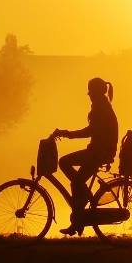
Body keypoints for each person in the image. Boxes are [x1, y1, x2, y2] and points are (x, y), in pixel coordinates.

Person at [53, 77, 119, 236]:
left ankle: (78, 217)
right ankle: (82, 206)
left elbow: (90, 131)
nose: (89, 95)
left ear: (96, 92)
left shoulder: (101, 108)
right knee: (70, 172)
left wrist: (67, 133)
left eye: (90, 92)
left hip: (99, 153)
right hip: (97, 151)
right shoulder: (101, 105)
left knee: (71, 173)